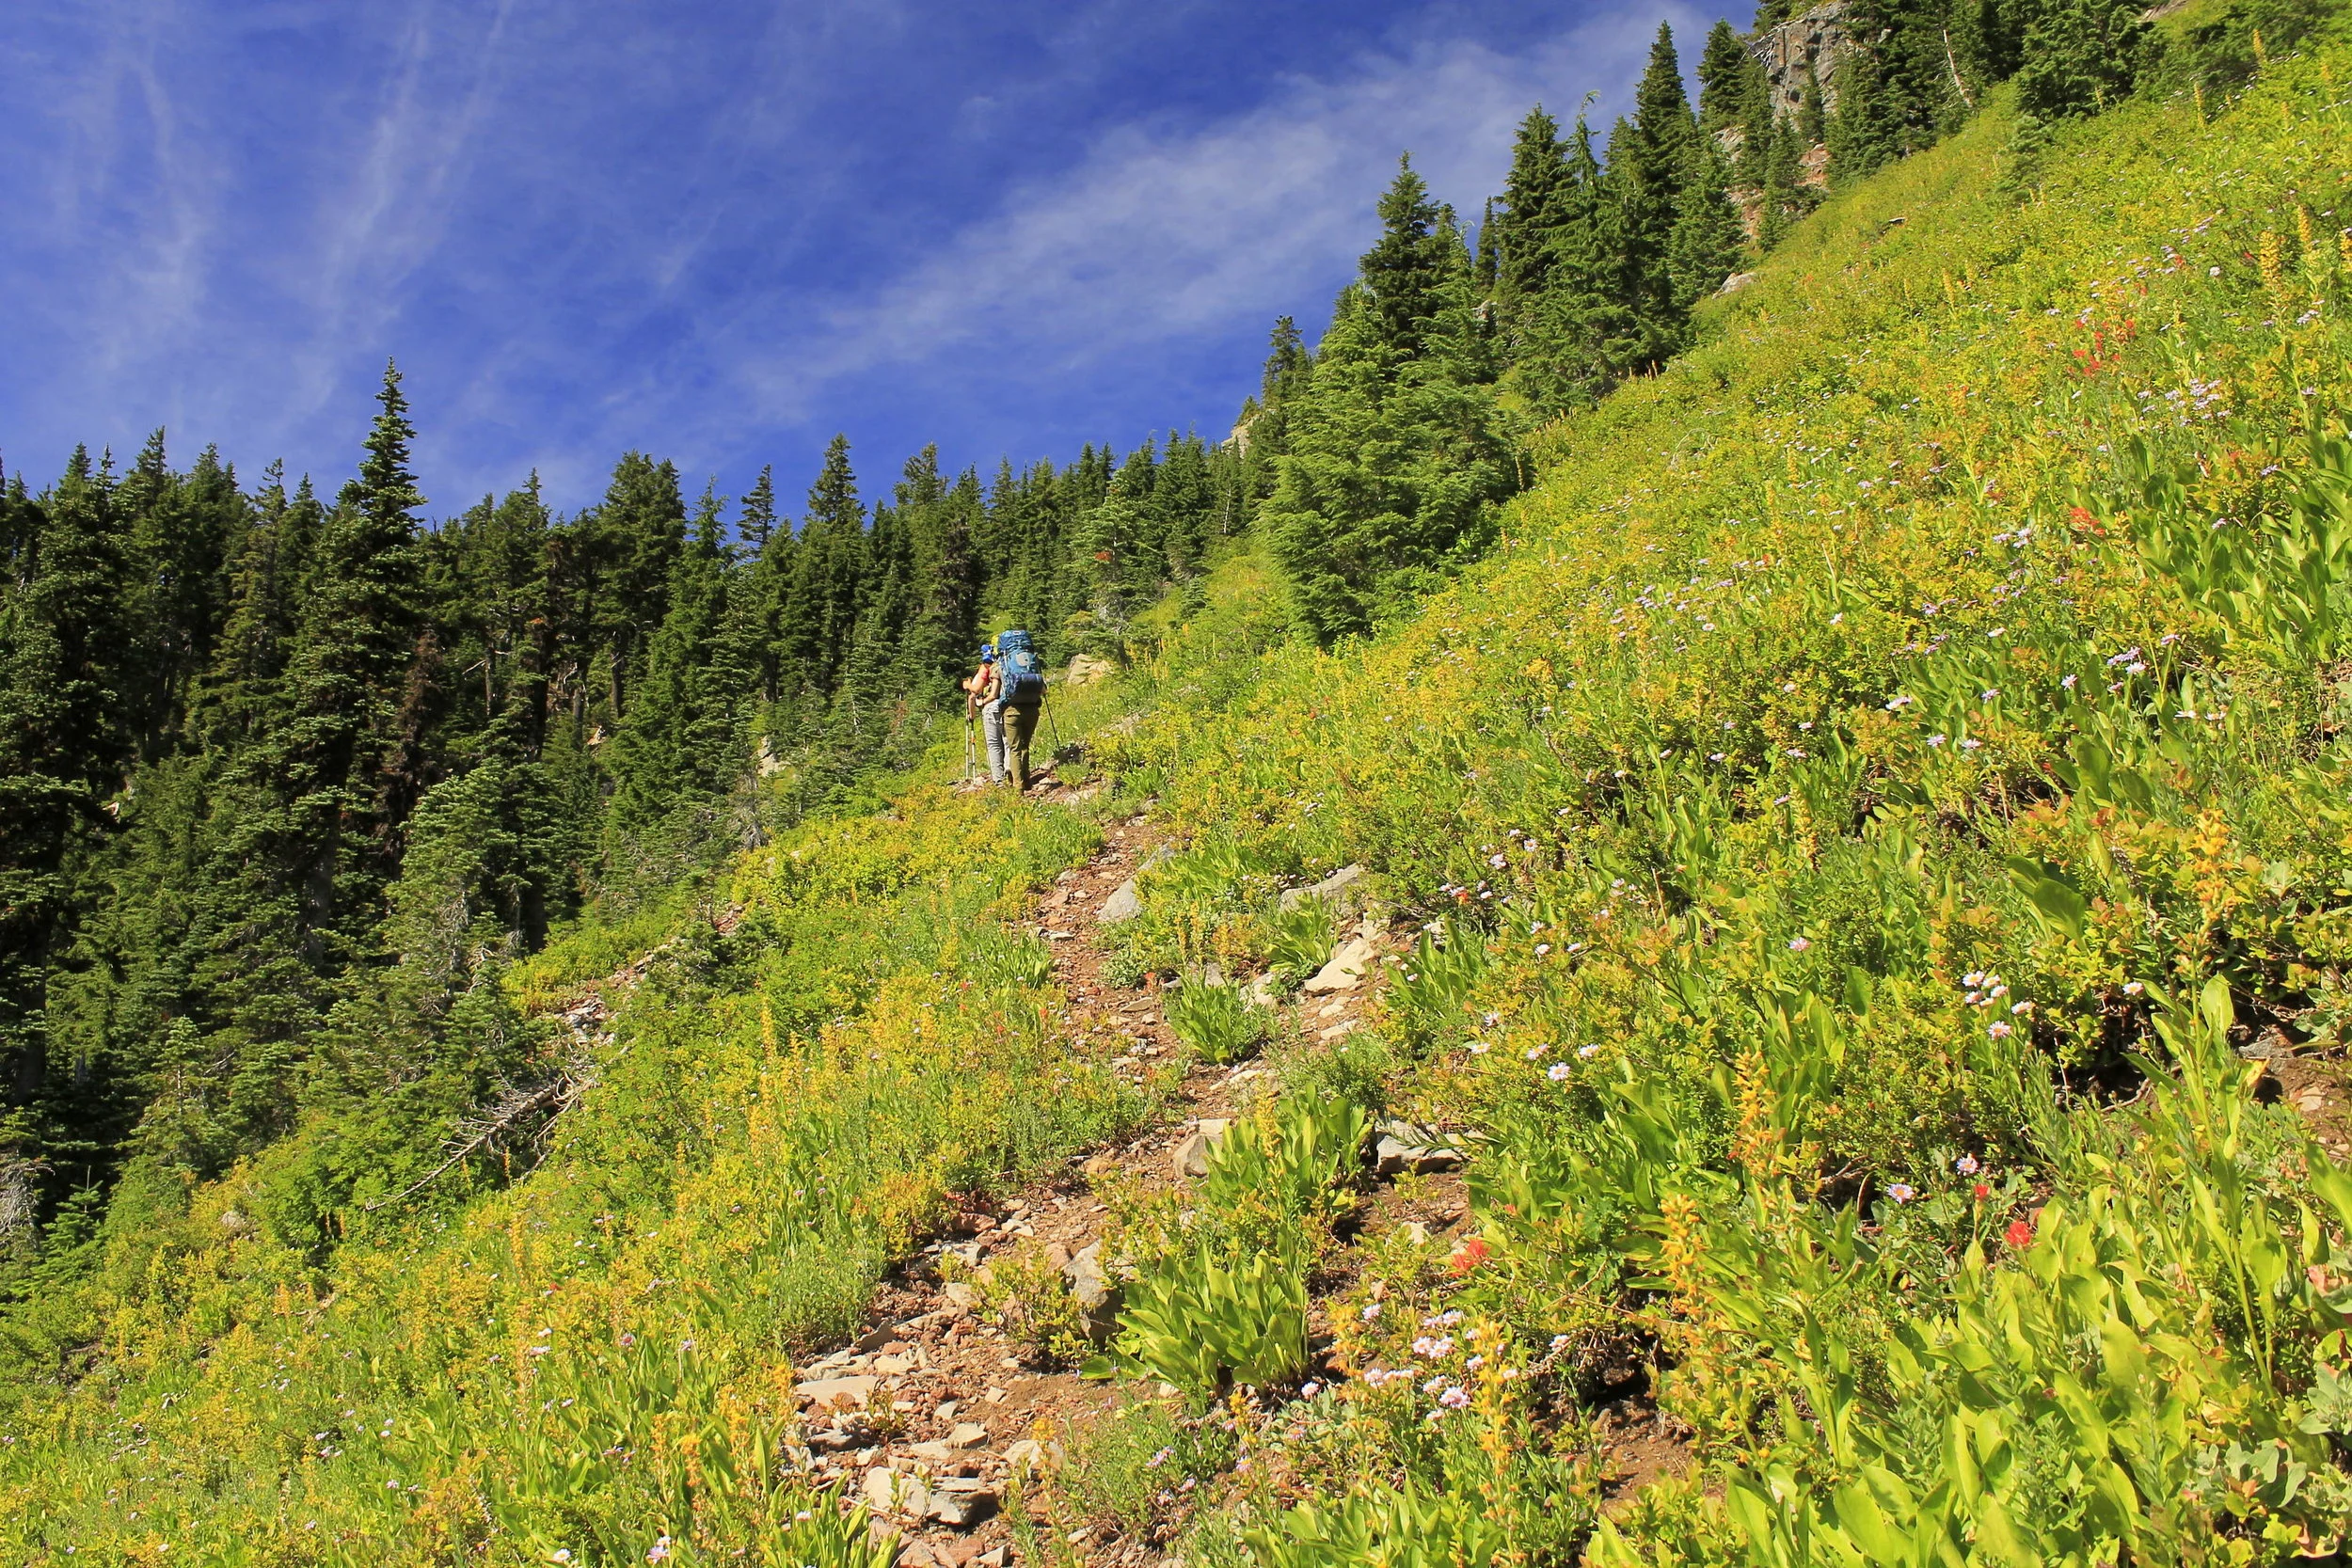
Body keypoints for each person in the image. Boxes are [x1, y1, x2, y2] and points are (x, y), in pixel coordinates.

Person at [964, 644, 1004, 784]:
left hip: (990, 706)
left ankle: (999, 780)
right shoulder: (1004, 663)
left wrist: (967, 685)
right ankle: (1012, 771)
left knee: (994, 744)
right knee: (1007, 741)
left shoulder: (985, 667)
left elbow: (974, 692)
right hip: (1008, 704)